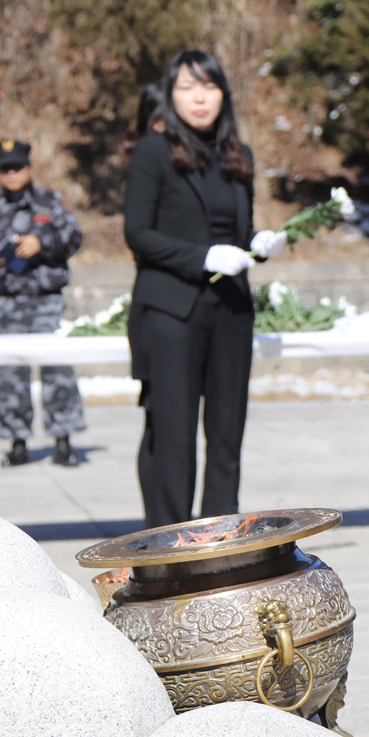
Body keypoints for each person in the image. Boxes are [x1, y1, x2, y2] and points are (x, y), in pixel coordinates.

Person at [124, 50, 289, 527]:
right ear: (170, 96)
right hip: (172, 311)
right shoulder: (153, 152)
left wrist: (257, 245)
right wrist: (202, 257)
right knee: (173, 439)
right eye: (187, 87)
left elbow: (237, 234)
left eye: (209, 86)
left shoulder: (241, 156)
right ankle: (169, 551)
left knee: (226, 436)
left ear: (223, 93)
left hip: (231, 312)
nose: (199, 97)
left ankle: (220, 544)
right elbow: (138, 234)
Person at [0, 138, 86, 467]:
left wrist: (40, 241)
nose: (12, 173)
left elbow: (74, 237)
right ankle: (17, 443)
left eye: (17, 167)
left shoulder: (51, 202)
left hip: (46, 300)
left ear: (29, 168)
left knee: (58, 371)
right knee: (9, 374)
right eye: (5, 168)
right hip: (7, 301)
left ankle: (64, 441)